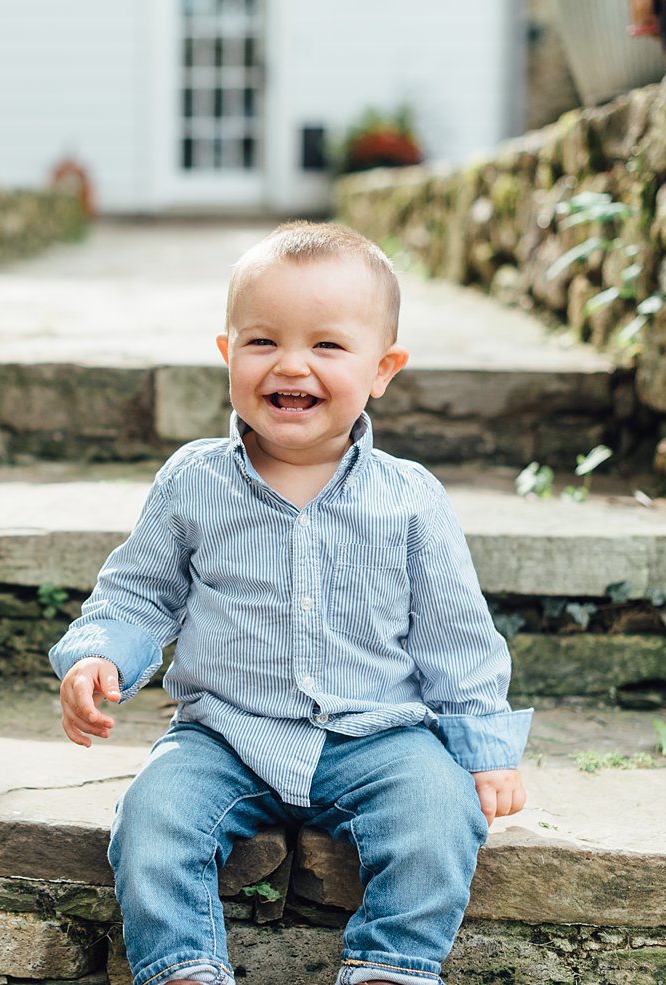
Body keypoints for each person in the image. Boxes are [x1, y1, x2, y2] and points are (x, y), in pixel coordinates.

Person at [48, 221, 531, 985]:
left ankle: (392, 965)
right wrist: (101, 655)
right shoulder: (194, 481)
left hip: (377, 732)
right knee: (152, 820)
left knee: (440, 816)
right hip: (226, 729)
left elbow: (456, 636)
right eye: (263, 341)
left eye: (328, 346)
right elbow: (140, 592)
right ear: (227, 354)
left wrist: (481, 748)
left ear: (384, 368)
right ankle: (182, 966)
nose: (292, 364)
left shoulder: (409, 500)